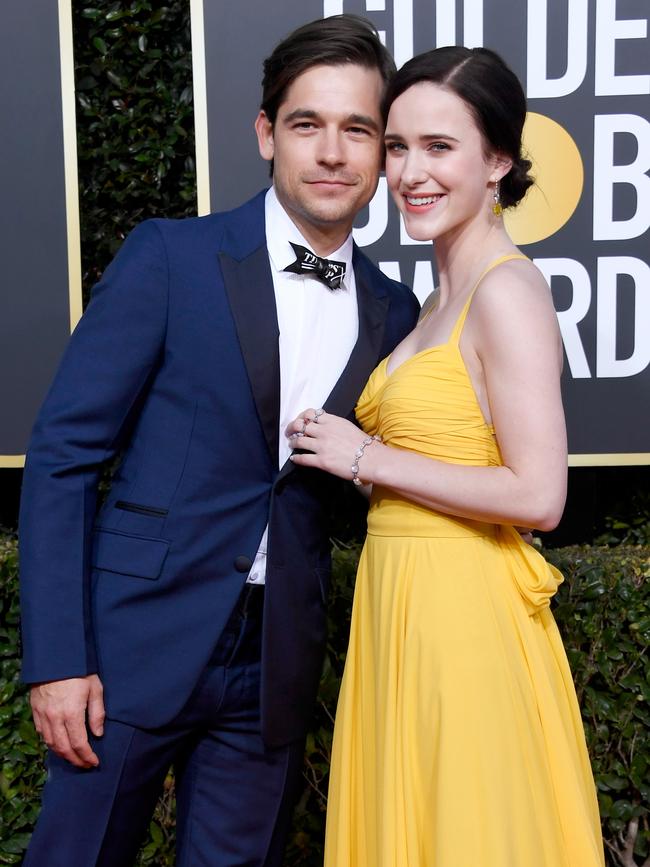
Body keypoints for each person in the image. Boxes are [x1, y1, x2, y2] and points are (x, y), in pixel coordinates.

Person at [18, 15, 419, 866]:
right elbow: (64, 456)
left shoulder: (397, 310)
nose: (334, 152)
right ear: (267, 133)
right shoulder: (172, 256)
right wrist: (57, 659)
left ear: (385, 152)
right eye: (308, 124)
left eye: (359, 130)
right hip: (130, 648)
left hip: (273, 663)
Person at [287, 46, 605, 866]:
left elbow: (540, 494)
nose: (409, 172)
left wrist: (367, 458)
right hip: (403, 608)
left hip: (464, 618)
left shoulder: (507, 289)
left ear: (497, 159)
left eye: (439, 147)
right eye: (396, 147)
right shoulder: (437, 298)